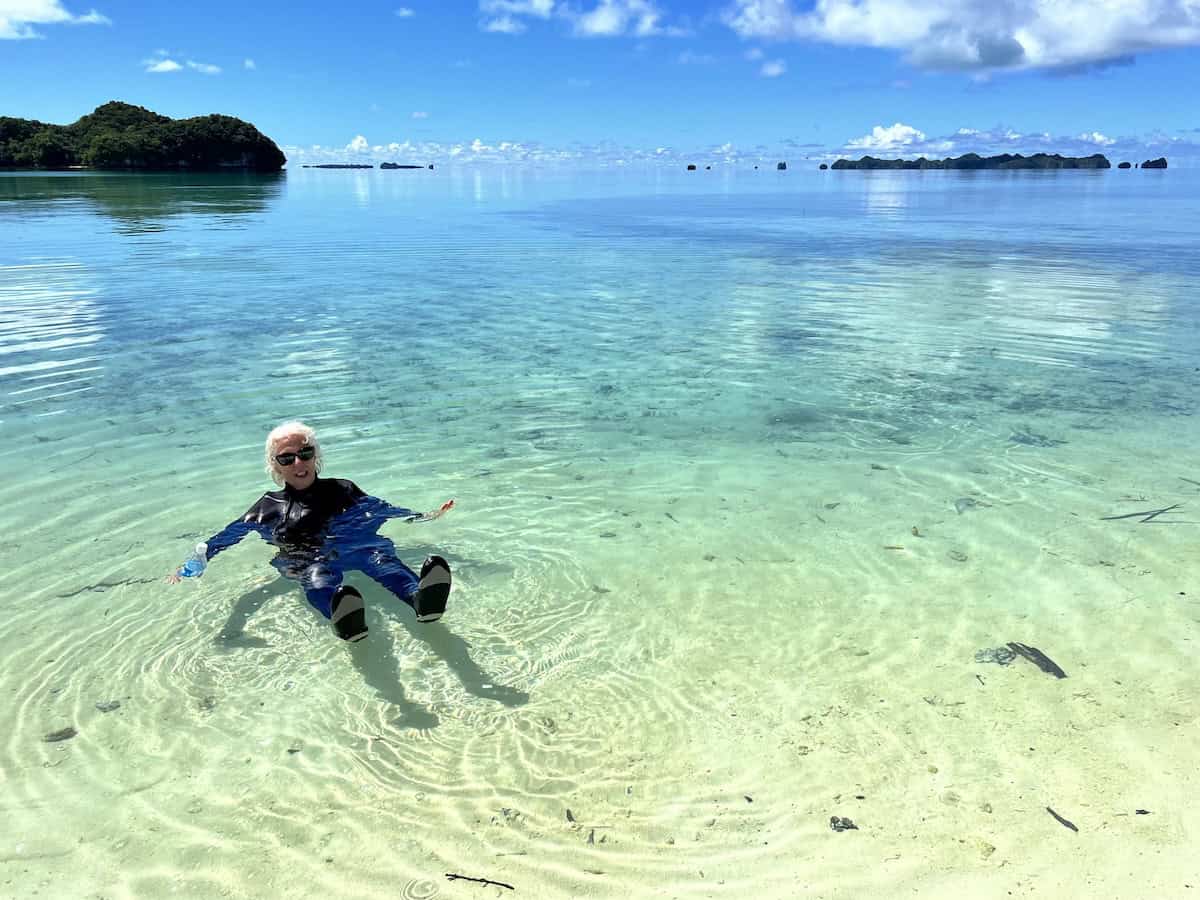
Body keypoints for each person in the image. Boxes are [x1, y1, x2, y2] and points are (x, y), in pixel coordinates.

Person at [168, 420, 454, 642]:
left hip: (358, 546)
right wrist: (191, 565)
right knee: (317, 578)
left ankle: (420, 600)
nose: (298, 463)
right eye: (286, 458)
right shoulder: (267, 506)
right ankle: (344, 620)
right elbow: (228, 536)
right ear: (275, 466)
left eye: (305, 453)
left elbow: (382, 509)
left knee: (381, 559)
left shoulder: (344, 489)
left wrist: (423, 517)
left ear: (316, 456)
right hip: (308, 559)